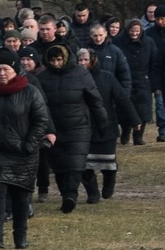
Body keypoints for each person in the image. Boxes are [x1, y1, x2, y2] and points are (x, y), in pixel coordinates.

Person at [0, 51, 53, 249]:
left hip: (22, 153)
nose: (1, 73)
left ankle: (20, 236)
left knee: (20, 196)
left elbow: (42, 120)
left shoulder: (30, 91)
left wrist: (30, 144)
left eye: (6, 69)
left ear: (15, 70)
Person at [36, 43, 107, 213]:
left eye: (59, 60)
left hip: (79, 126)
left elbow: (95, 100)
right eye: (52, 60)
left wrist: (102, 123)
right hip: (54, 127)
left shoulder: (81, 74)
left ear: (65, 59)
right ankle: (65, 195)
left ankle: (71, 195)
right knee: (59, 165)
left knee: (75, 163)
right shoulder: (43, 77)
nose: (56, 63)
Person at [80, 45, 134, 201]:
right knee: (84, 164)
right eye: (80, 60)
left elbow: (122, 99)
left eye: (86, 60)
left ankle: (109, 181)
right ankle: (92, 192)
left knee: (108, 162)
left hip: (106, 125)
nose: (83, 63)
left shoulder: (107, 77)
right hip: (83, 127)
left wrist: (134, 120)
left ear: (93, 61)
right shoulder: (74, 78)